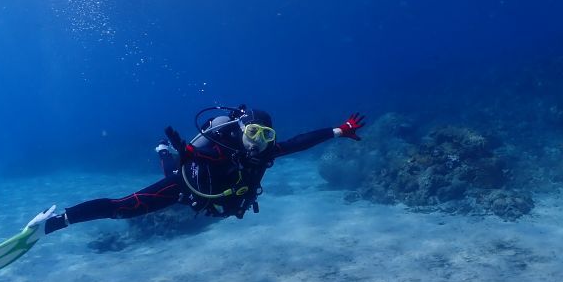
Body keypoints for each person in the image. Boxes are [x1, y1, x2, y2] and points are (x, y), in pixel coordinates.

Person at [36, 105, 366, 234]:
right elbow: (197, 158)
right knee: (125, 208)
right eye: (254, 134)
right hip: (187, 187)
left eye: (267, 136)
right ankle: (56, 221)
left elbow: (299, 142)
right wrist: (188, 153)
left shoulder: (266, 154)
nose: (260, 143)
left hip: (216, 201)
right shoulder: (220, 149)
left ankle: (166, 153)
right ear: (242, 131)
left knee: (171, 168)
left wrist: (338, 130)